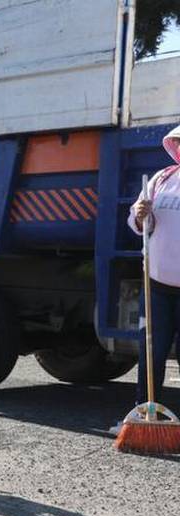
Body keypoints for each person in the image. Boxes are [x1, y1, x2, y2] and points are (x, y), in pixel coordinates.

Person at [119, 124, 180, 432]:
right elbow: (139, 223)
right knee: (150, 351)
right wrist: (141, 214)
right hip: (156, 283)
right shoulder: (162, 178)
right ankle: (145, 418)